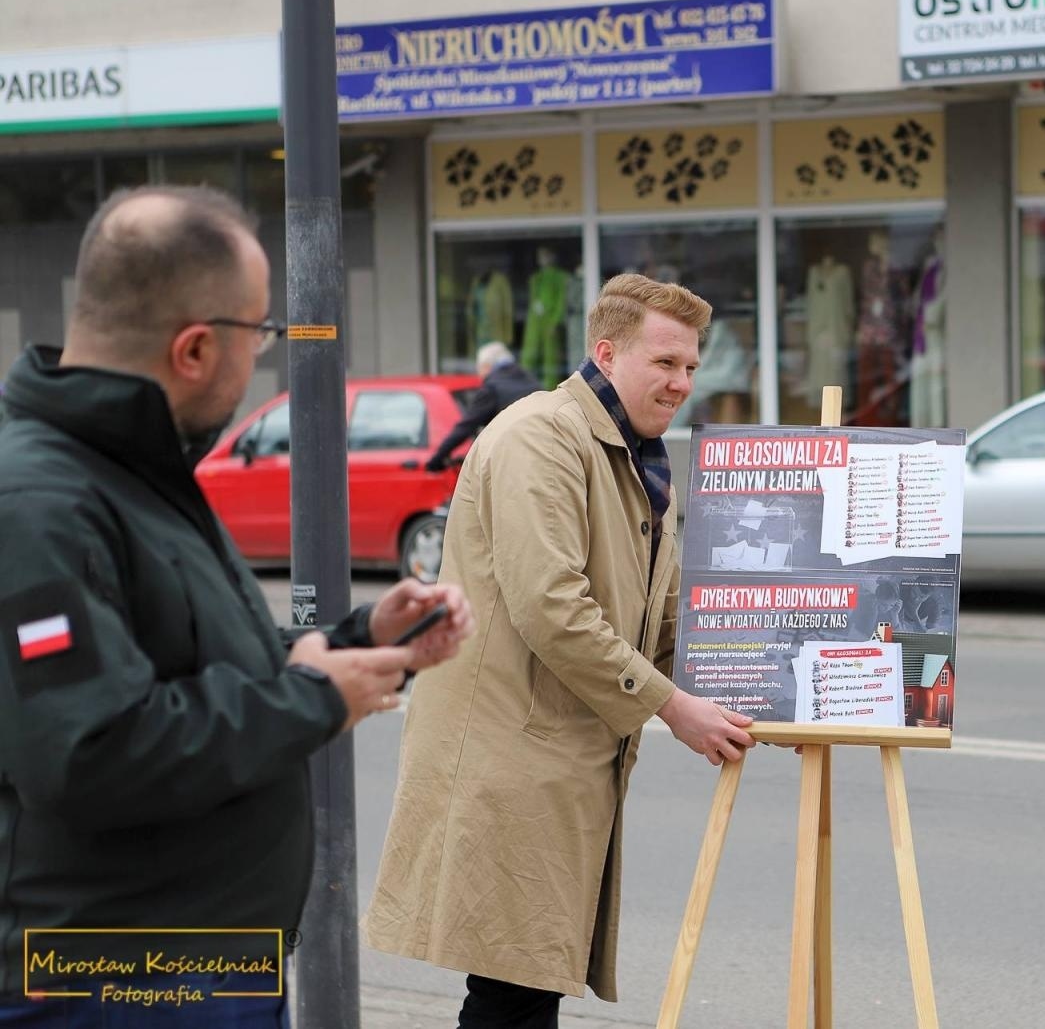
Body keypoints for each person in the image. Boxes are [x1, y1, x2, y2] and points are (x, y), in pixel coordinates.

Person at [0, 185, 474, 1025]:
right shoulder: (40, 498)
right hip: (110, 981)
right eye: (259, 333)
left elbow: (194, 660)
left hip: (191, 961)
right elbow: (89, 753)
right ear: (193, 349)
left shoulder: (133, 465)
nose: (261, 355)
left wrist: (358, 635)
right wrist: (315, 698)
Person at [364, 273, 755, 1028]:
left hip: (560, 764)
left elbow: (665, 617)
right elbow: (553, 607)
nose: (682, 383)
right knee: (512, 993)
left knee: (525, 987)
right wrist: (674, 708)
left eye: (691, 368)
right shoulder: (538, 437)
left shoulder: (637, 457)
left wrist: (773, 692)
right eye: (665, 362)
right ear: (606, 353)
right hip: (511, 761)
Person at [425, 340, 540, 472]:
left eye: (479, 368)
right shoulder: (531, 381)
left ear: (486, 366)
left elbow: (466, 426)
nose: (479, 374)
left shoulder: (492, 388)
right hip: (540, 451)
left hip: (515, 458)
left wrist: (437, 458)